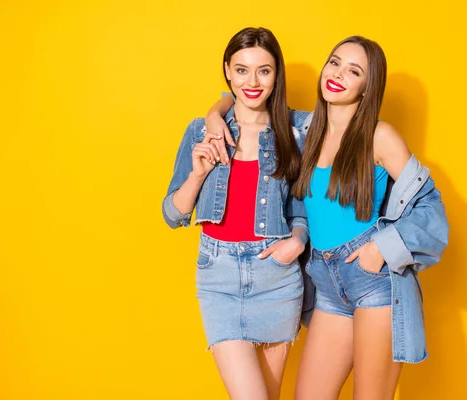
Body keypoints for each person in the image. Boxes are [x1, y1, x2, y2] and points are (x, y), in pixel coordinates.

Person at [206, 35, 449, 400]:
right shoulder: (305, 132)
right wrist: (215, 111)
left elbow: (431, 205)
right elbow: (241, 102)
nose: (338, 74)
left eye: (354, 71)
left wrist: (381, 249)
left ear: (367, 88)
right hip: (328, 287)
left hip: (373, 282)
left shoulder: (378, 136)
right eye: (334, 62)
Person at [162, 27, 310, 400]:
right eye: (242, 70)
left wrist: (298, 239)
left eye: (264, 70)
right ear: (227, 70)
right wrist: (197, 174)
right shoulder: (202, 130)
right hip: (219, 279)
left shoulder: (295, 132)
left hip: (276, 277)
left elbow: (303, 205)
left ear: (277, 75)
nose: (253, 81)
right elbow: (171, 213)